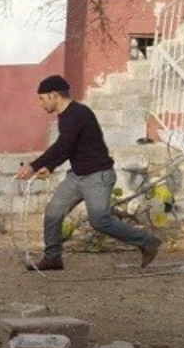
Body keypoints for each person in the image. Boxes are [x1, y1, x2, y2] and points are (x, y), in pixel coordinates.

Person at [16, 75, 161, 271]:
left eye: (42, 98)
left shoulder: (79, 114)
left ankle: (147, 241)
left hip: (98, 176)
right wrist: (49, 167)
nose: (40, 103)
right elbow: (69, 148)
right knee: (53, 213)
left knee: (99, 221)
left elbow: (62, 144)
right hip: (77, 176)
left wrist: (34, 165)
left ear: (54, 95)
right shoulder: (66, 116)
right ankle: (53, 258)